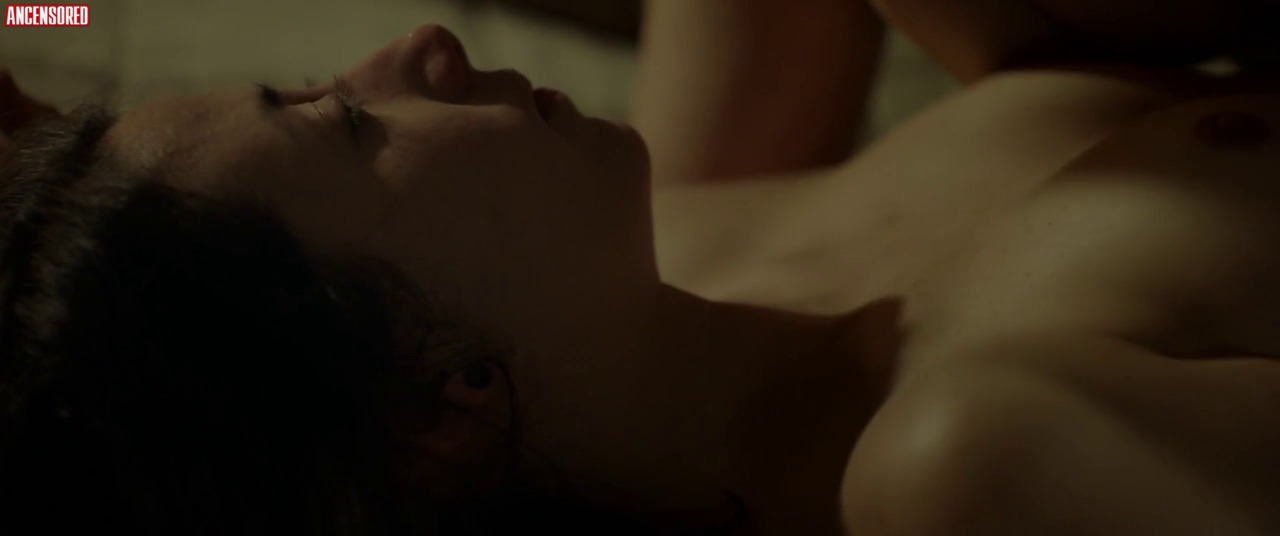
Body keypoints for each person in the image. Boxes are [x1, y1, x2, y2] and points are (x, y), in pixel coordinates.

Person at [0, 2, 1276, 535]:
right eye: (342, 119)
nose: (419, 47)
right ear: (433, 409)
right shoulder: (968, 458)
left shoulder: (680, 234)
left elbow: (45, 13)